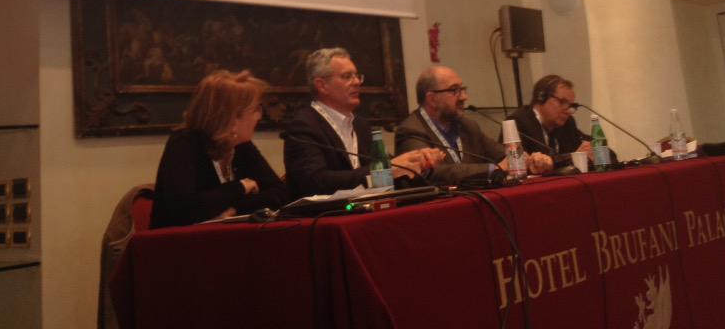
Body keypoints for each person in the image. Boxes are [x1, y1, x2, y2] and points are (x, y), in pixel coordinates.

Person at [282, 48, 443, 198]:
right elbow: (314, 182)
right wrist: (386, 169)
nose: (357, 82)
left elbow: (388, 174)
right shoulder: (303, 127)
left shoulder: (361, 125)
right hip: (325, 216)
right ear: (322, 85)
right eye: (347, 76)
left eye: (357, 76)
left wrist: (416, 163)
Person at [150, 70, 288, 228]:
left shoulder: (242, 145)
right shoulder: (184, 144)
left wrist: (235, 209)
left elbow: (279, 193)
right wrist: (240, 187)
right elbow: (184, 209)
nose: (259, 116)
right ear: (232, 117)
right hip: (176, 241)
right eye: (255, 109)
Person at [395, 66, 553, 185]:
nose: (464, 96)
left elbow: (501, 154)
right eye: (455, 90)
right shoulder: (411, 130)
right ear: (432, 99)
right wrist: (494, 169)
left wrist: (528, 161)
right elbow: (431, 172)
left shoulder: (468, 126)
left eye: (463, 89)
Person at [505, 75, 594, 166]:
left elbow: (592, 145)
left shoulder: (567, 122)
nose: (568, 110)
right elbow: (522, 165)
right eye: (562, 102)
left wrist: (592, 150)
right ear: (541, 97)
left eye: (571, 105)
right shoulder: (518, 123)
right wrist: (572, 157)